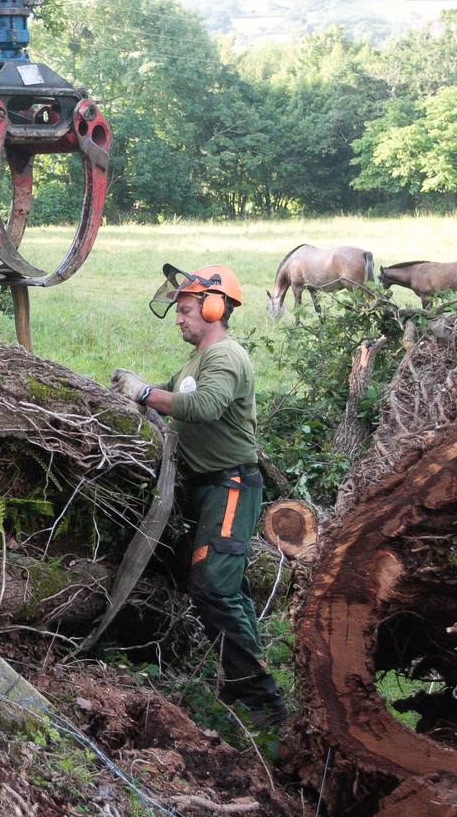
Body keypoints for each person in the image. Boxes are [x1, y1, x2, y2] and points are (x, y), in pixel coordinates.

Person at [110, 264, 290, 730]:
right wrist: (135, 389)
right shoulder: (195, 363)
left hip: (231, 484)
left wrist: (146, 392)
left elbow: (203, 407)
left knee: (214, 588)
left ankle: (262, 703)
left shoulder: (225, 357)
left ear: (214, 308)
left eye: (186, 310)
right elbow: (172, 395)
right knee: (228, 589)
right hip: (209, 486)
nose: (179, 319)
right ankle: (246, 684)